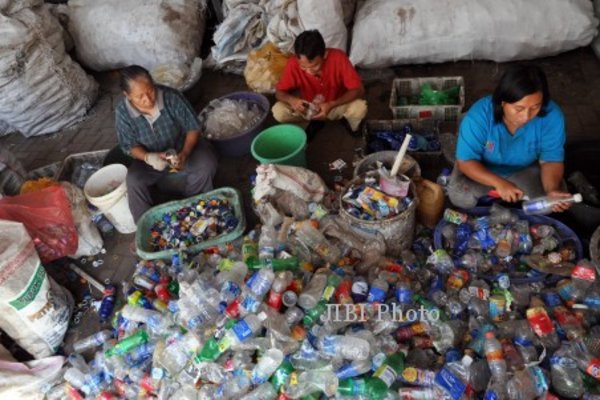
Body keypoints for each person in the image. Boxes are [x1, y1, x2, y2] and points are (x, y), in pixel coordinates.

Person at [448, 64, 572, 212]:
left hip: (524, 169)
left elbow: (551, 159)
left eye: (535, 107)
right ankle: (501, 192)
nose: (526, 117)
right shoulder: (478, 117)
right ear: (503, 102)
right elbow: (467, 161)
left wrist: (552, 189)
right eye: (519, 109)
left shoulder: (552, 115)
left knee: (550, 203)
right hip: (484, 169)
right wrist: (499, 183)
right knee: (459, 196)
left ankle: (516, 192)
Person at [115, 65, 217, 222]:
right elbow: (128, 145)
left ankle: (194, 206)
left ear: (154, 85)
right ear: (127, 95)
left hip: (181, 149)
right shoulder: (122, 112)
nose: (148, 99)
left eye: (150, 91)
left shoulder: (171, 97)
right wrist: (148, 157)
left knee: (206, 163)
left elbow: (193, 127)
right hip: (151, 159)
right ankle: (146, 225)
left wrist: (185, 152)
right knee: (134, 180)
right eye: (139, 96)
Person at [272, 30, 367, 140]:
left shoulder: (338, 57)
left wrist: (331, 104)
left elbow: (359, 90)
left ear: (324, 54)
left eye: (314, 66)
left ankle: (352, 127)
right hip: (308, 108)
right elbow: (279, 93)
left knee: (359, 108)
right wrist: (292, 100)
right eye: (303, 67)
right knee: (278, 111)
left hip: (335, 105)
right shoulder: (293, 63)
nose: (309, 71)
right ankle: (312, 122)